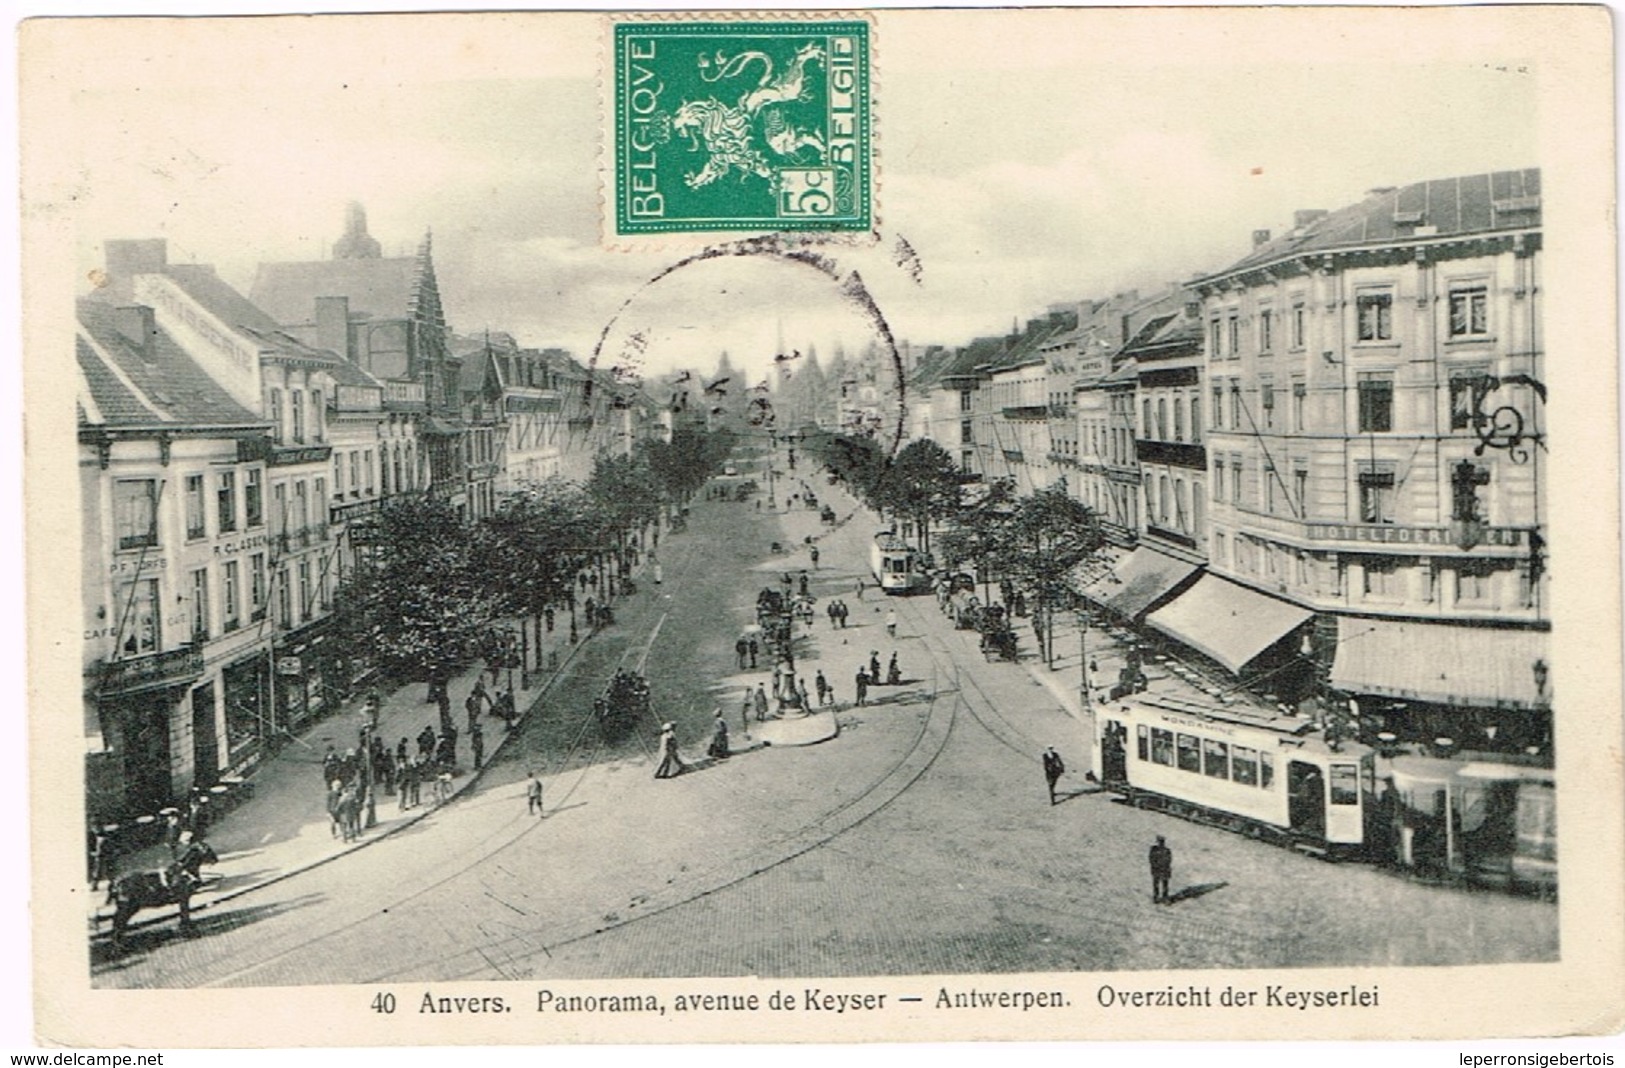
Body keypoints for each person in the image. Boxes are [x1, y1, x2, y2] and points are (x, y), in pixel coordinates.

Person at [1149, 835, 1173, 904]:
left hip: (1165, 869)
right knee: (1156, 884)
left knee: (1165, 884)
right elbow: (1151, 859)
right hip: (1157, 869)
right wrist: (1155, 865)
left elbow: (1169, 860)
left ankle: (1165, 897)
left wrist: (1166, 867)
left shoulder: (1167, 850)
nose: (1161, 843)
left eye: (1162, 842)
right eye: (1159, 842)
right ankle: (1156, 897)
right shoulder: (1154, 850)